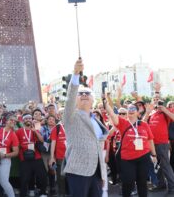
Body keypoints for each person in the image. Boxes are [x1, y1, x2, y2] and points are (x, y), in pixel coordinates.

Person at [63, 58, 108, 197]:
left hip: (96, 172)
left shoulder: (96, 120)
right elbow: (70, 97)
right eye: (80, 94)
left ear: (93, 100)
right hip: (78, 170)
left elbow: (98, 145)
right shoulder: (71, 116)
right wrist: (76, 74)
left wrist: (102, 174)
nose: (83, 95)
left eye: (87, 93)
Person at [105, 102, 157, 197]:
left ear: (138, 113)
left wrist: (154, 155)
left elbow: (150, 140)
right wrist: (106, 104)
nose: (131, 110)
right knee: (128, 182)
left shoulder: (144, 125)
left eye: (133, 109)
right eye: (129, 109)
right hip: (127, 159)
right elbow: (112, 114)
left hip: (143, 157)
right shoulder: (122, 123)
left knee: (142, 183)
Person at [16, 113, 47, 197]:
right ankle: (23, 194)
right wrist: (25, 146)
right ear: (23, 121)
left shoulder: (35, 129)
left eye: (29, 118)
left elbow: (41, 140)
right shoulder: (19, 131)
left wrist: (35, 132)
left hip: (36, 156)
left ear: (31, 119)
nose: (28, 120)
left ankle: (43, 193)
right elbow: (16, 144)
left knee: (42, 175)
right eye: (26, 119)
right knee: (24, 178)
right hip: (24, 157)